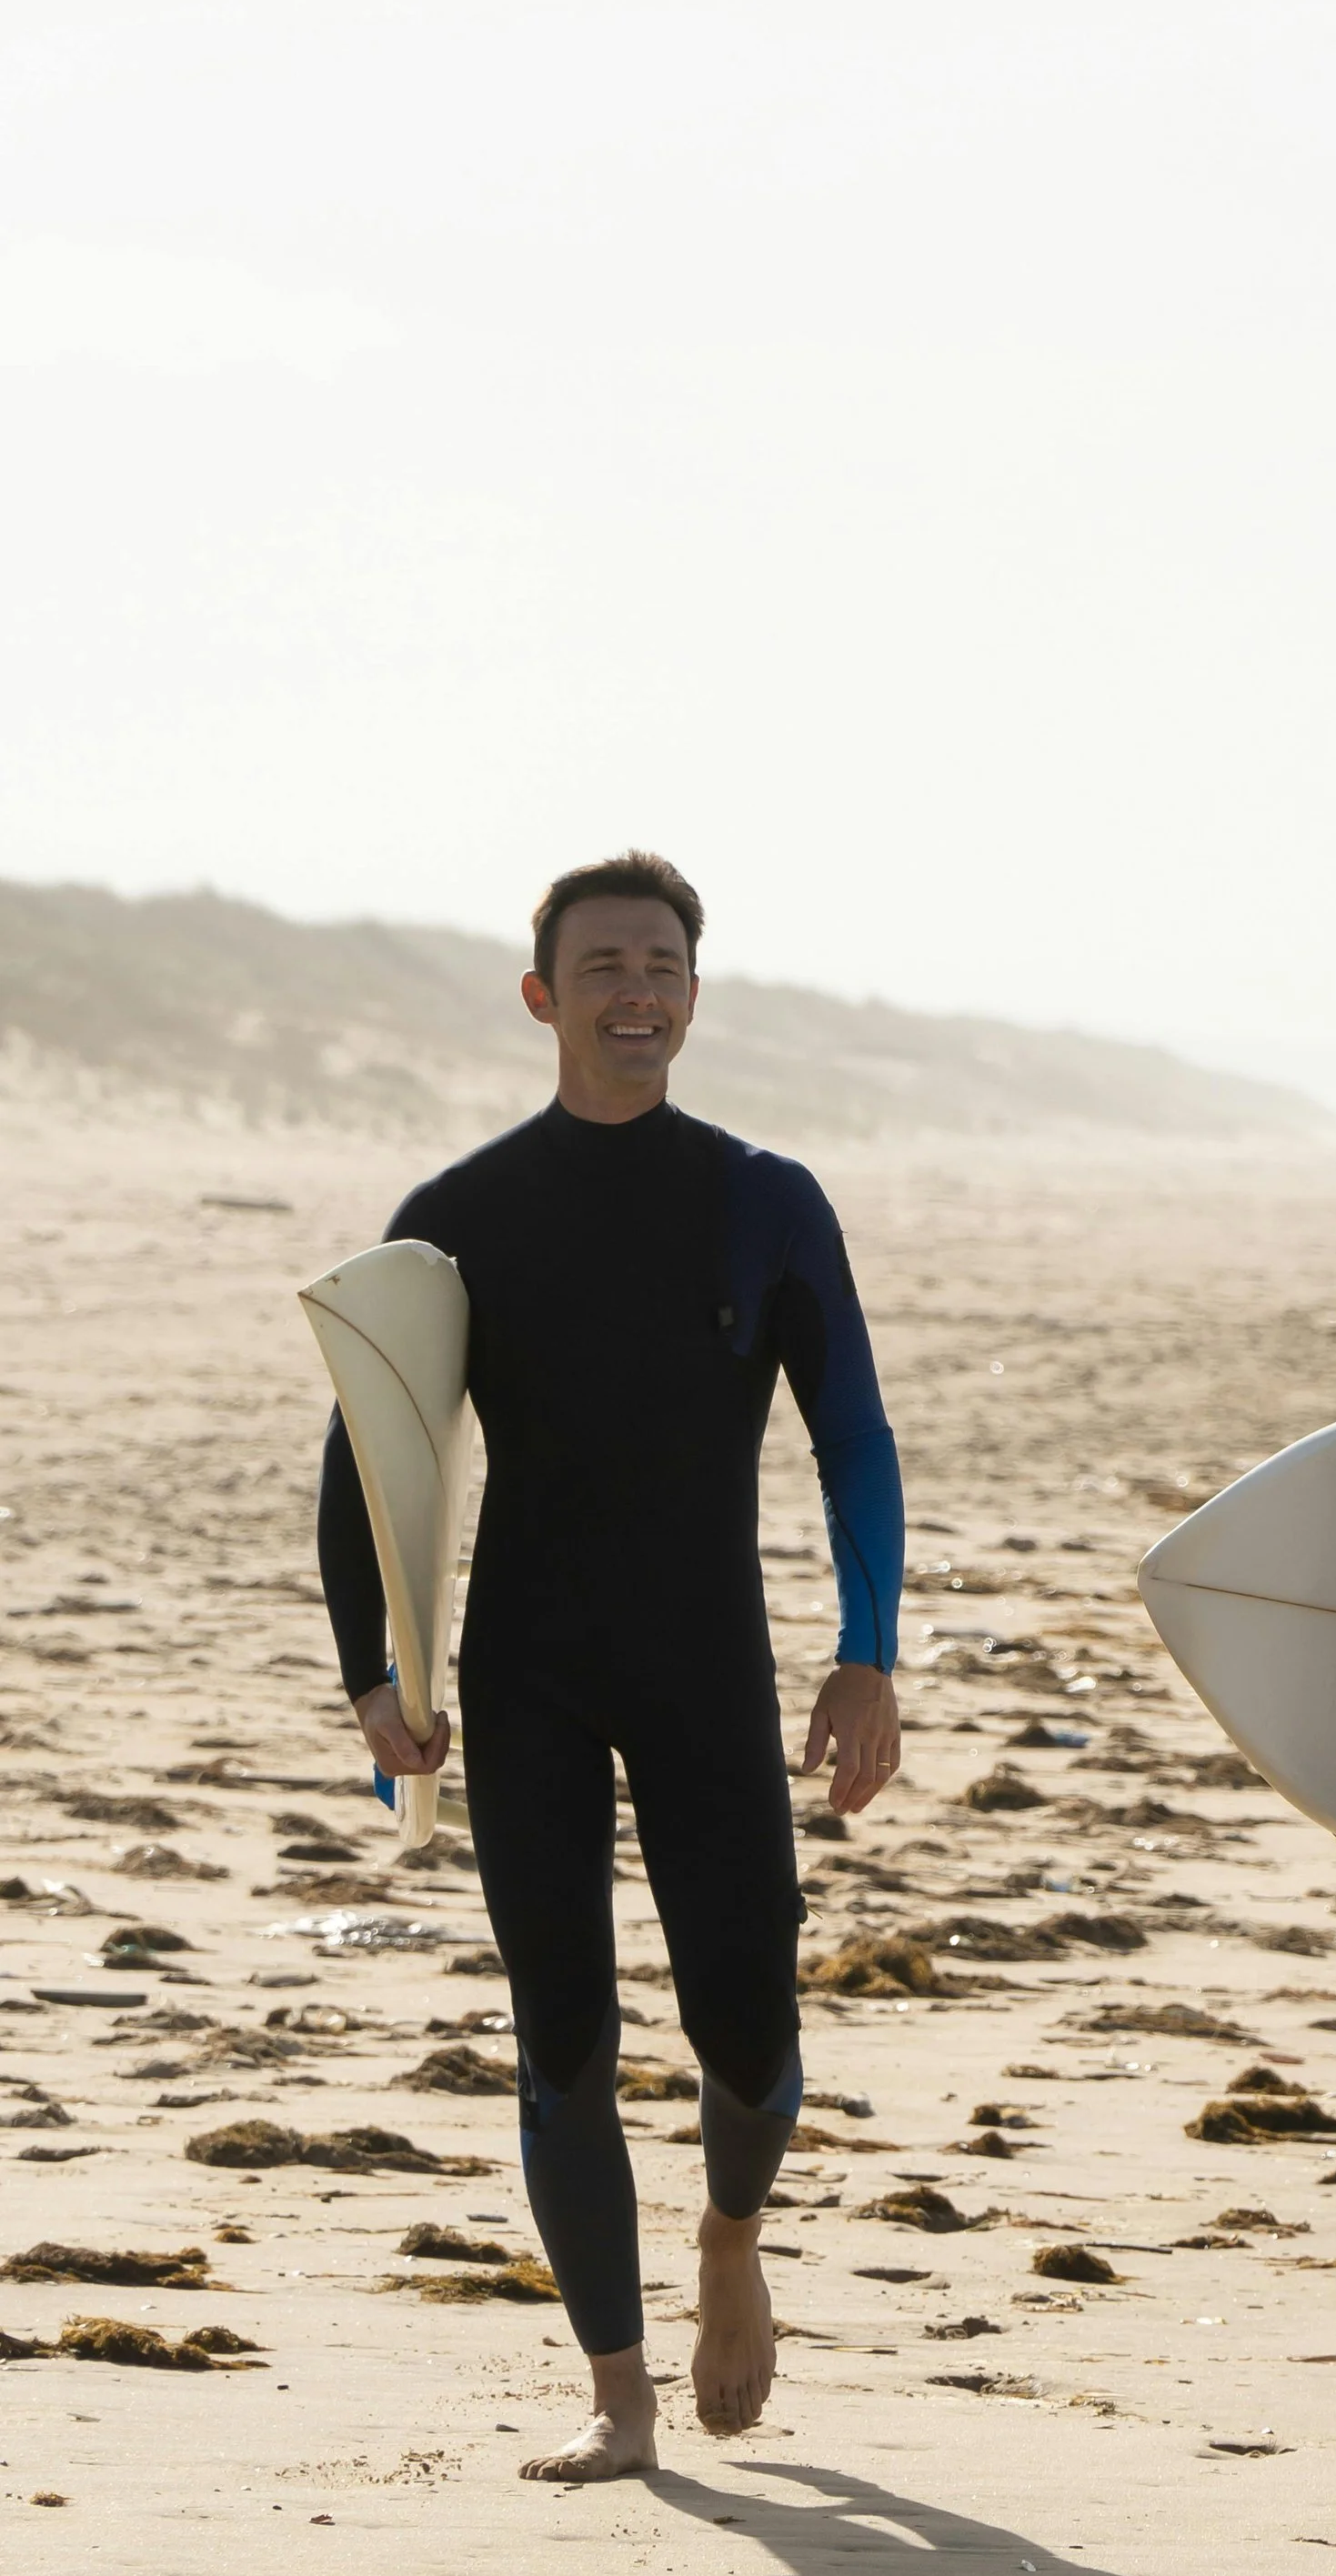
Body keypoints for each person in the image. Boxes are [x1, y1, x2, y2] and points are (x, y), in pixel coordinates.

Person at [316, 852, 903, 2483]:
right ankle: (619, 2394)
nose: (634, 990)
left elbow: (852, 1435)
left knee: (752, 2030)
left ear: (694, 996)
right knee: (560, 2026)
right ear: (542, 995)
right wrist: (373, 1675)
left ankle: (730, 2237)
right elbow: (367, 1456)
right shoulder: (460, 1218)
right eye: (602, 966)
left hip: (707, 1662)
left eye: (661, 964)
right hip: (530, 1674)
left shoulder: (764, 1197)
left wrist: (870, 1653)